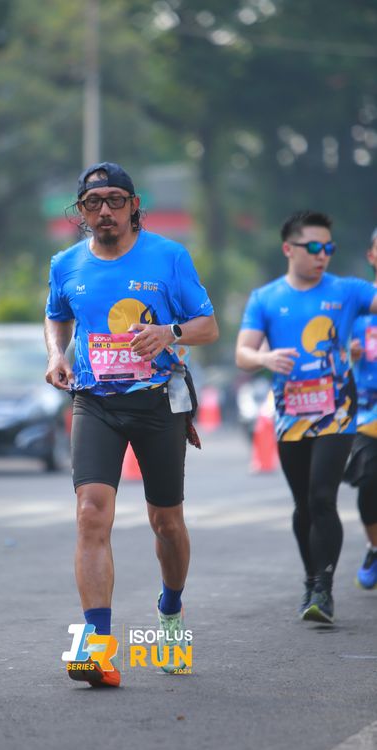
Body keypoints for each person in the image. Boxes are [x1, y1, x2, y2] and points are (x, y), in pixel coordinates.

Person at [45, 161, 218, 686]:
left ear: (134, 205)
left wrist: (169, 333)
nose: (105, 211)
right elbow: (57, 314)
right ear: (81, 211)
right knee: (90, 515)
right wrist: (57, 354)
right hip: (94, 401)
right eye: (93, 203)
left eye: (115, 200)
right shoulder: (66, 263)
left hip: (158, 402)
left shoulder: (169, 257)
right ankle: (97, 648)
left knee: (166, 522)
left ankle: (170, 611)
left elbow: (208, 325)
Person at [235, 210, 377, 625]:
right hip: (291, 417)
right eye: (314, 247)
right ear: (288, 249)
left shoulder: (348, 291)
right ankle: (311, 579)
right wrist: (265, 359)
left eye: (328, 247)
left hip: (337, 413)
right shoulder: (265, 298)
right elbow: (243, 353)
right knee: (303, 506)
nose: (322, 255)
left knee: (321, 497)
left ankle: (324, 590)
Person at [344, 227, 377, 589]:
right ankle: (374, 547)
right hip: (369, 414)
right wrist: (346, 352)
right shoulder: (357, 309)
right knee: (369, 482)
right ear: (371, 256)